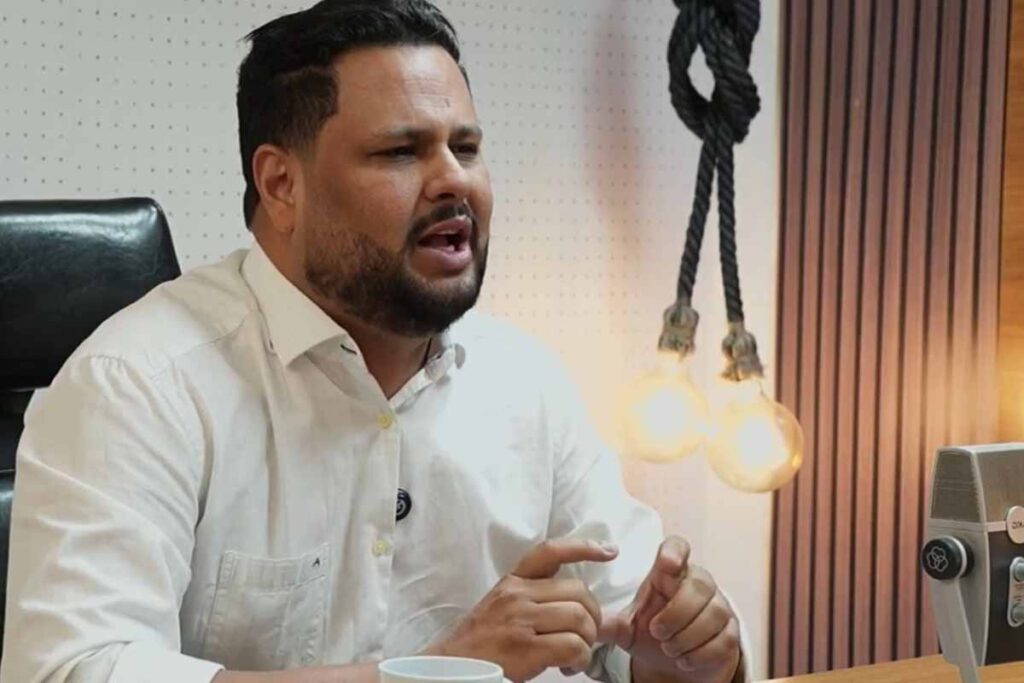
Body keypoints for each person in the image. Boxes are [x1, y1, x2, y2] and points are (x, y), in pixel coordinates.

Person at [1, 2, 749, 682]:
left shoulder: (526, 381)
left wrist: (686, 653)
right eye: (400, 152)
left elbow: (637, 631)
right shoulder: (137, 381)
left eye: (466, 147)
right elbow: (76, 670)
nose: (453, 182)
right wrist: (429, 674)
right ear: (281, 185)